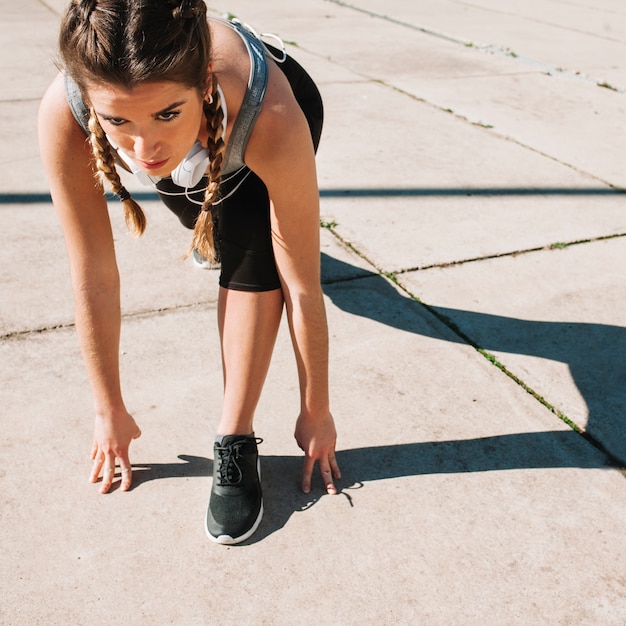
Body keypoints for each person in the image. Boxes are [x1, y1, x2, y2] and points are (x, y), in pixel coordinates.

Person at [38, 0, 341, 545]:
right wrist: (108, 409)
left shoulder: (270, 117)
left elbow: (302, 285)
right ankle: (217, 225)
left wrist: (315, 409)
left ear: (200, 86)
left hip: (258, 117)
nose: (142, 146)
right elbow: (94, 277)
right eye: (117, 121)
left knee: (260, 263)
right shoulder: (67, 113)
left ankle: (236, 437)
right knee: (199, 208)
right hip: (202, 130)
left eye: (166, 114)